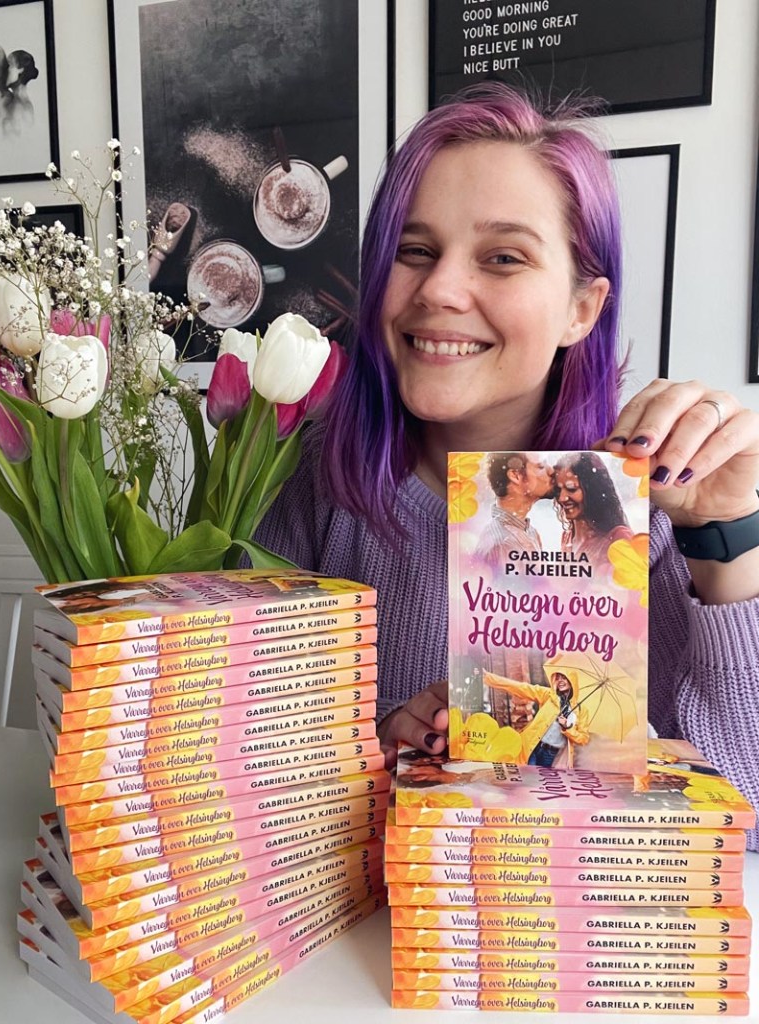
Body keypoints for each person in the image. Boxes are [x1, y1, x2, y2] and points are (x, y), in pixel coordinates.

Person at [252, 84, 759, 849]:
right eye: (415, 251)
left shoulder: (642, 507)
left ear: (581, 309)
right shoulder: (310, 475)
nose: (438, 289)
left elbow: (747, 808)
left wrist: (725, 534)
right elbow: (244, 770)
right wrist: (380, 751)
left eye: (503, 257)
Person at [483, 668, 589, 768]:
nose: (560, 681)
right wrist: (489, 678)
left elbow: (583, 739)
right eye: (558, 678)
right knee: (527, 775)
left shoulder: (581, 710)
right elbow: (521, 688)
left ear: (572, 681)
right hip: (533, 746)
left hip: (552, 754)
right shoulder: (549, 695)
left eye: (564, 678)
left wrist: (567, 727)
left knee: (539, 779)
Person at [553, 450, 633, 571]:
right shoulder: (567, 537)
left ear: (593, 490)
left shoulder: (619, 538)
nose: (561, 498)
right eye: (558, 490)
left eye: (571, 489)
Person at [473, 451, 555, 567]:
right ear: (516, 476)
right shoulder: (502, 544)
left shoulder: (530, 532)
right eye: (541, 466)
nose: (551, 471)